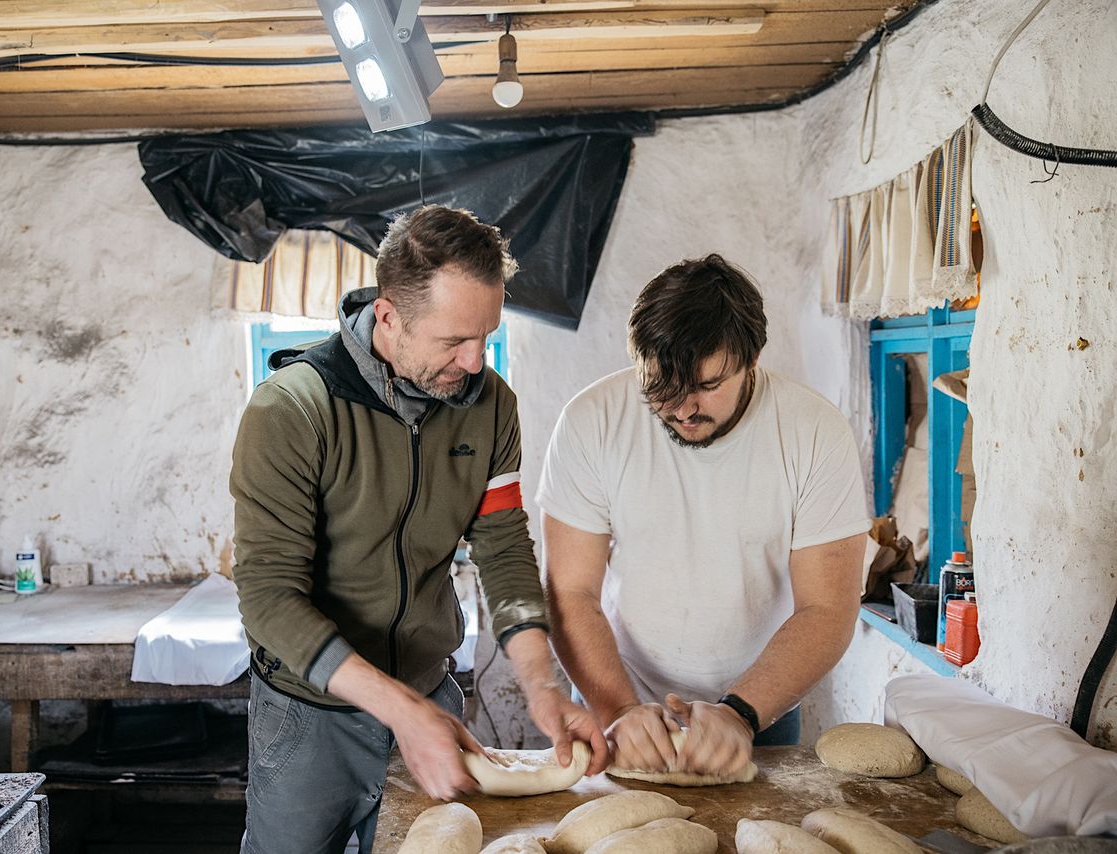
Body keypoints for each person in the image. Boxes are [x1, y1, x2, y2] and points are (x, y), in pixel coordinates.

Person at [230, 205, 608, 854]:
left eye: (486, 336)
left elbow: (505, 551)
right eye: (453, 340)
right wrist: (401, 712)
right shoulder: (292, 410)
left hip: (432, 696)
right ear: (388, 317)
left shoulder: (492, 407)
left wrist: (543, 690)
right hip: (309, 716)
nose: (474, 360)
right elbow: (269, 600)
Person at [538, 254, 869, 779]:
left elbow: (828, 608)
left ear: (752, 358)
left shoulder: (814, 433)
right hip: (619, 692)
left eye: (708, 385)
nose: (684, 409)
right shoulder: (591, 422)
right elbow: (569, 592)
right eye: (661, 389)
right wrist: (619, 708)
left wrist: (740, 713)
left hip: (759, 700)